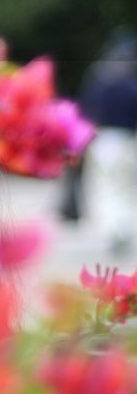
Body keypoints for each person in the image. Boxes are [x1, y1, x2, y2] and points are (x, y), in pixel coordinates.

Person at [78, 28, 137, 256]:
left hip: (102, 139)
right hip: (128, 139)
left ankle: (114, 229)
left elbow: (87, 109)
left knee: (105, 187)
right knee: (126, 187)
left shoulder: (98, 76)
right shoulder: (130, 80)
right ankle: (124, 227)